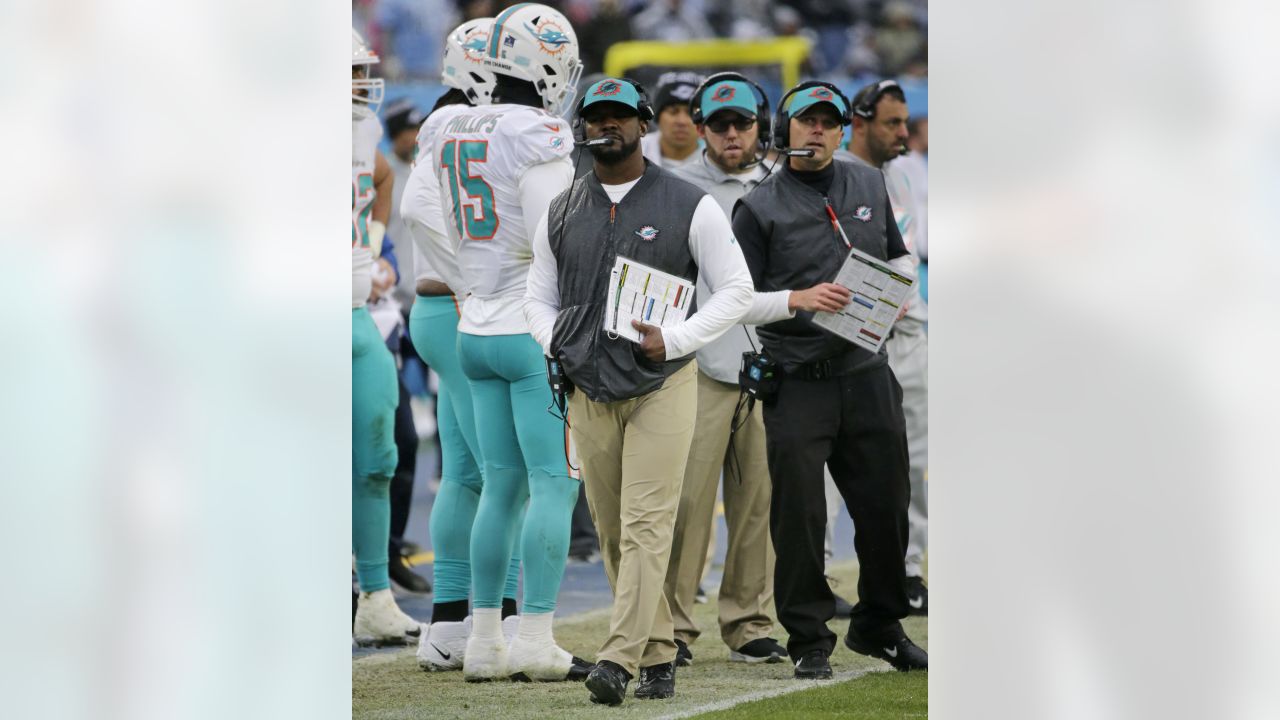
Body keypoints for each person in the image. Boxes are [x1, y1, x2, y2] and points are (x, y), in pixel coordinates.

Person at [524, 77, 754, 705]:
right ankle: (656, 653)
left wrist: (678, 339)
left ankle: (617, 658)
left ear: (643, 123)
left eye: (620, 116)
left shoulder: (689, 203)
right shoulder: (562, 207)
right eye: (596, 116)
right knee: (613, 531)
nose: (607, 126)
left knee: (646, 524)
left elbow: (735, 288)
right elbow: (537, 296)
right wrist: (555, 341)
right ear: (583, 125)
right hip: (588, 386)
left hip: (662, 382)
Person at [732, 80, 928, 678]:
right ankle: (809, 637)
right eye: (805, 120)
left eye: (827, 121)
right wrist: (798, 298)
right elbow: (735, 300)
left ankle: (879, 623)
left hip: (867, 370)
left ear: (842, 130)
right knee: (801, 515)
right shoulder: (757, 206)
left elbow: (898, 254)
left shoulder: (868, 182)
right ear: (783, 129)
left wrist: (899, 294)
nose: (816, 130)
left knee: (887, 506)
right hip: (798, 377)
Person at [426, 3, 589, 683]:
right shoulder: (540, 133)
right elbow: (562, 238)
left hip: (473, 326)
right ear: (546, 59)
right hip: (530, 328)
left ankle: (485, 642)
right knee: (554, 484)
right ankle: (535, 639)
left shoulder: (447, 123)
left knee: (498, 487)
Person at [399, 18, 528, 671]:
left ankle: (451, 622)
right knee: (504, 474)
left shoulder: (451, 124)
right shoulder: (463, 125)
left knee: (470, 473)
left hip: (444, 306)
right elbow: (422, 211)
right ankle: (492, 620)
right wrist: (475, 277)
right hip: (461, 307)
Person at [662, 73, 785, 667]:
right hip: (699, 366)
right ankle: (675, 626)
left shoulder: (786, 185)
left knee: (758, 503)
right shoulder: (674, 187)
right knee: (686, 504)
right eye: (719, 124)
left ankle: (749, 621)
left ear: (760, 124)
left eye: (741, 123)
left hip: (772, 362)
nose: (731, 133)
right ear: (703, 127)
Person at [842, 79, 930, 615]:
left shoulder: (908, 173)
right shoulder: (837, 176)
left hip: (908, 332)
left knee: (916, 461)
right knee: (838, 465)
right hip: (850, 337)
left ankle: (911, 569)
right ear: (861, 122)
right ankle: (827, 573)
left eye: (904, 123)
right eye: (892, 124)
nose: (903, 133)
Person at [350, 27, 423, 647]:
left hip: (353, 318)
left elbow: (379, 181)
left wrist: (370, 246)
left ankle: (374, 596)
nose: (358, 85)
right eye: (346, 73)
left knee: (380, 457)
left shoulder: (360, 134)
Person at [640, 72, 704, 170]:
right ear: (658, 116)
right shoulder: (635, 151)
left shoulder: (716, 157)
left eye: (690, 112)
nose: (682, 121)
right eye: (673, 112)